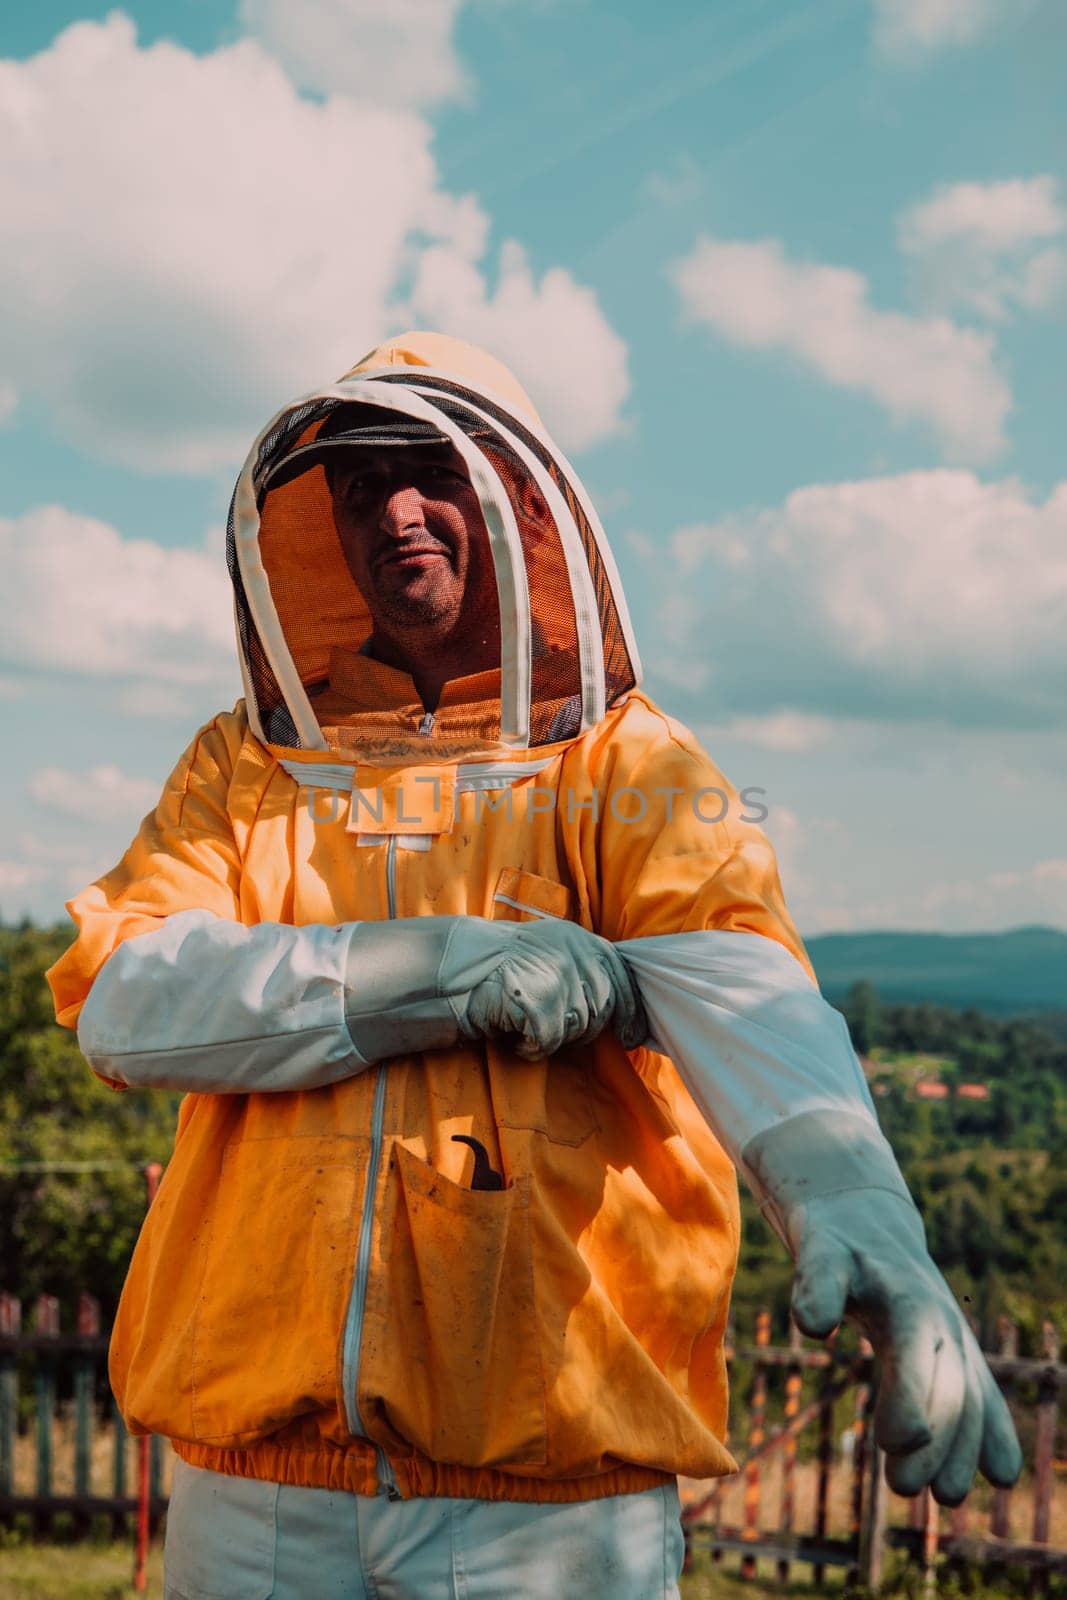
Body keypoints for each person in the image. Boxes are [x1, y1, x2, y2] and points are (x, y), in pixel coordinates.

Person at [47, 332, 1021, 1599]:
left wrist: (862, 1219)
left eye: (428, 471)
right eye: (357, 485)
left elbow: (741, 983)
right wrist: (440, 973)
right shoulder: (245, 766)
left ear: (513, 497)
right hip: (255, 1479)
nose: (394, 510)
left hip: (546, 1502)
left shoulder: (629, 764)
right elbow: (129, 1000)